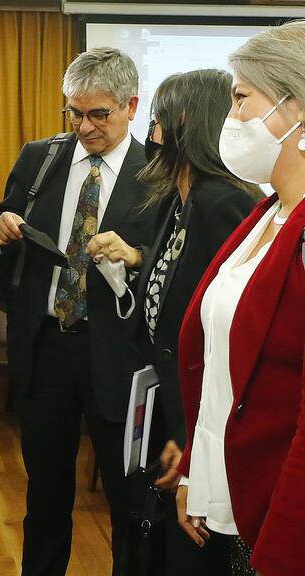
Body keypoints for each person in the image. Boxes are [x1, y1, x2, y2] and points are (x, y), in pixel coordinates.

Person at [0, 47, 156, 576]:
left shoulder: (157, 174)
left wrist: (135, 256)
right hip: (47, 347)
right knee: (45, 497)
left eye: (98, 114)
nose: (84, 126)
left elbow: (174, 264)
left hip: (120, 356)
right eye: (74, 113)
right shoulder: (41, 156)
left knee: (128, 502)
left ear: (131, 105)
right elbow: (3, 216)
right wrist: (1, 225)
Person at [88, 69, 262, 575]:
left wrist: (187, 440)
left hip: (198, 424)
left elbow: (224, 342)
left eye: (160, 114)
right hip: (167, 406)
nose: (151, 128)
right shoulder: (176, 200)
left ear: (187, 120)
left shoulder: (220, 201)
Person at [175, 21, 305, 576]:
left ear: (294, 109)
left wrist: (282, 543)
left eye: (241, 98)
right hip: (238, 492)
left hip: (283, 513)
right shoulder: (265, 215)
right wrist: (192, 471)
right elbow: (223, 365)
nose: (230, 118)